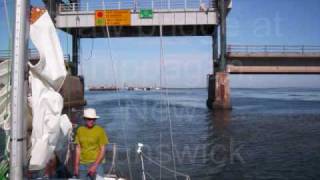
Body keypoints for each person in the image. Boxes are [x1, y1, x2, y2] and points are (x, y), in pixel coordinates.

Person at [74, 108, 109, 179]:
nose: (92, 121)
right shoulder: (80, 130)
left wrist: (94, 166)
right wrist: (76, 165)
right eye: (89, 119)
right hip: (82, 164)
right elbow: (78, 148)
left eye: (94, 119)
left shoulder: (100, 130)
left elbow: (102, 150)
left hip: (97, 163)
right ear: (84, 119)